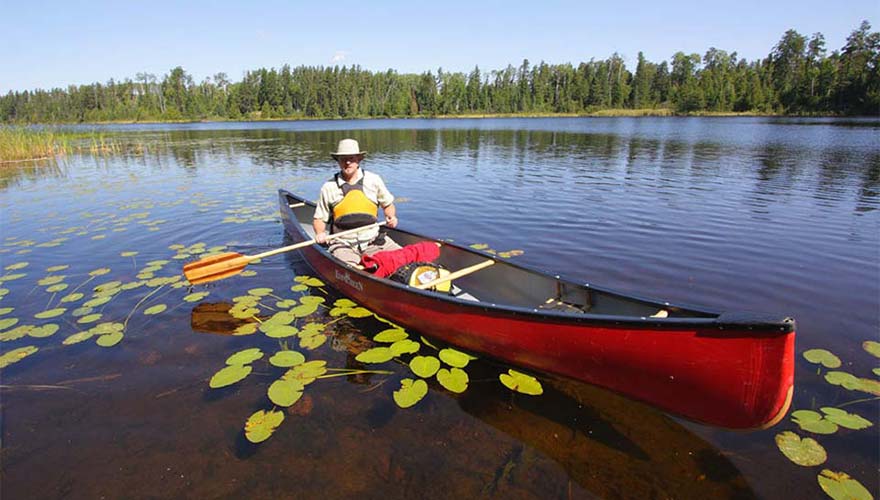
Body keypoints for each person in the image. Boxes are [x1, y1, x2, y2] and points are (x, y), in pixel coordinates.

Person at [313, 138, 401, 266]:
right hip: (343, 244)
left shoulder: (373, 180)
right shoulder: (328, 187)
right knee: (352, 269)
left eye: (351, 158)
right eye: (343, 159)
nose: (347, 162)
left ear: (359, 159)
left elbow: (387, 205)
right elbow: (319, 219)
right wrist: (320, 233)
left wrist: (391, 216)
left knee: (403, 257)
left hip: (373, 240)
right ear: (338, 161)